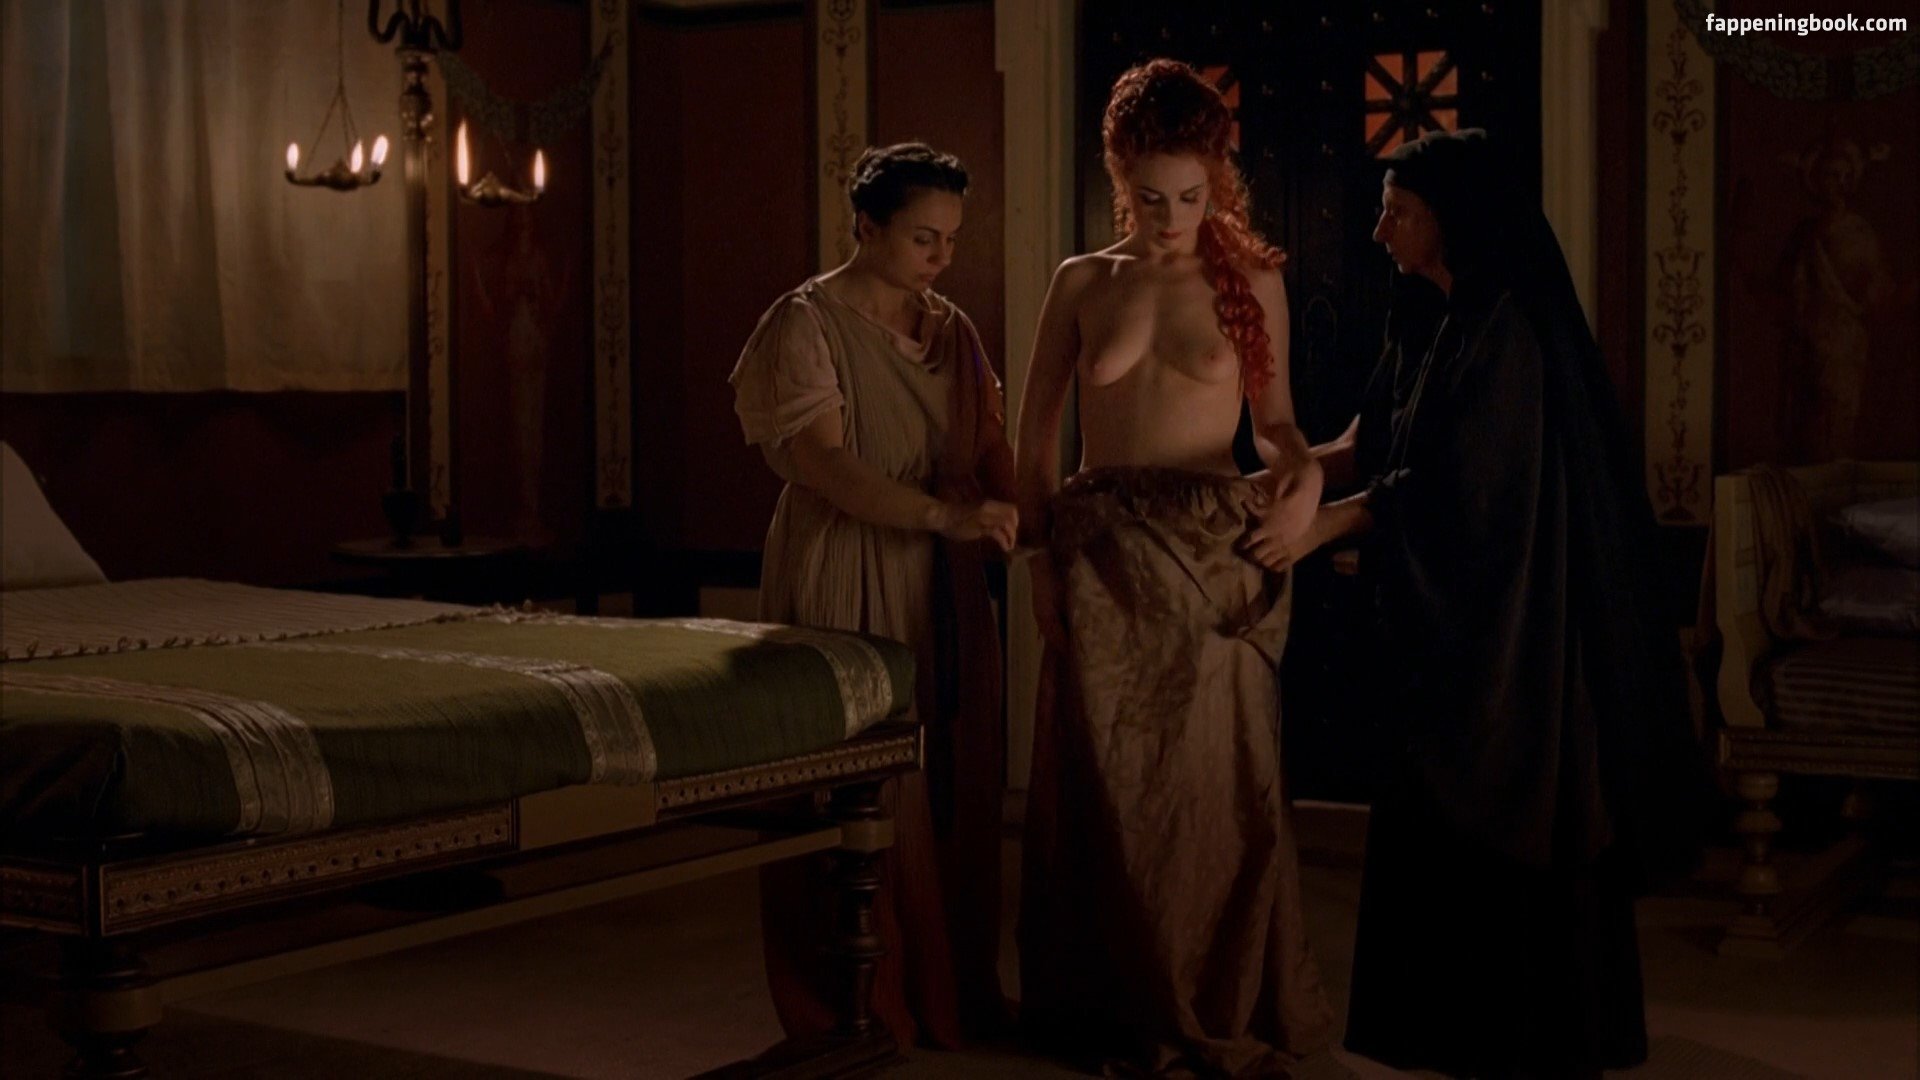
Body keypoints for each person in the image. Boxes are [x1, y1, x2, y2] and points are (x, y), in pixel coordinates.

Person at [1282, 129, 1710, 1078]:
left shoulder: (1508, 329)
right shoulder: (1424, 314)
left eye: (1400, 212)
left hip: (1514, 639)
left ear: (1452, 221)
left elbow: (1459, 490)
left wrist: (1322, 529)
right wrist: (1278, 480)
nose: (1380, 229)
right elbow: (1366, 441)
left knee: (1503, 807)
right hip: (1443, 631)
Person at [1013, 59, 1334, 1077]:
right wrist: (1037, 566)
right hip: (1099, 561)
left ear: (1216, 179)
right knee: (1111, 793)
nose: (1170, 218)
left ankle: (1212, 998)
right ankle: (1116, 1003)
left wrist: (1304, 485)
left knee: (1211, 792)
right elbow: (1034, 442)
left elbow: (1278, 427)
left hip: (1212, 558)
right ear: (1118, 176)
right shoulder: (1081, 282)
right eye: (1150, 199)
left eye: (1191, 197)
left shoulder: (1254, 282)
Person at [729, 141, 1016, 1051]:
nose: (941, 257)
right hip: (848, 561)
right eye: (924, 238)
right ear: (866, 226)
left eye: (952, 240)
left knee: (948, 775)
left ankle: (944, 985)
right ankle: (857, 1000)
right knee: (859, 779)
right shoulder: (806, 323)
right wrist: (940, 515)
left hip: (942, 574)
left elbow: (990, 453)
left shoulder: (953, 330)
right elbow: (825, 464)